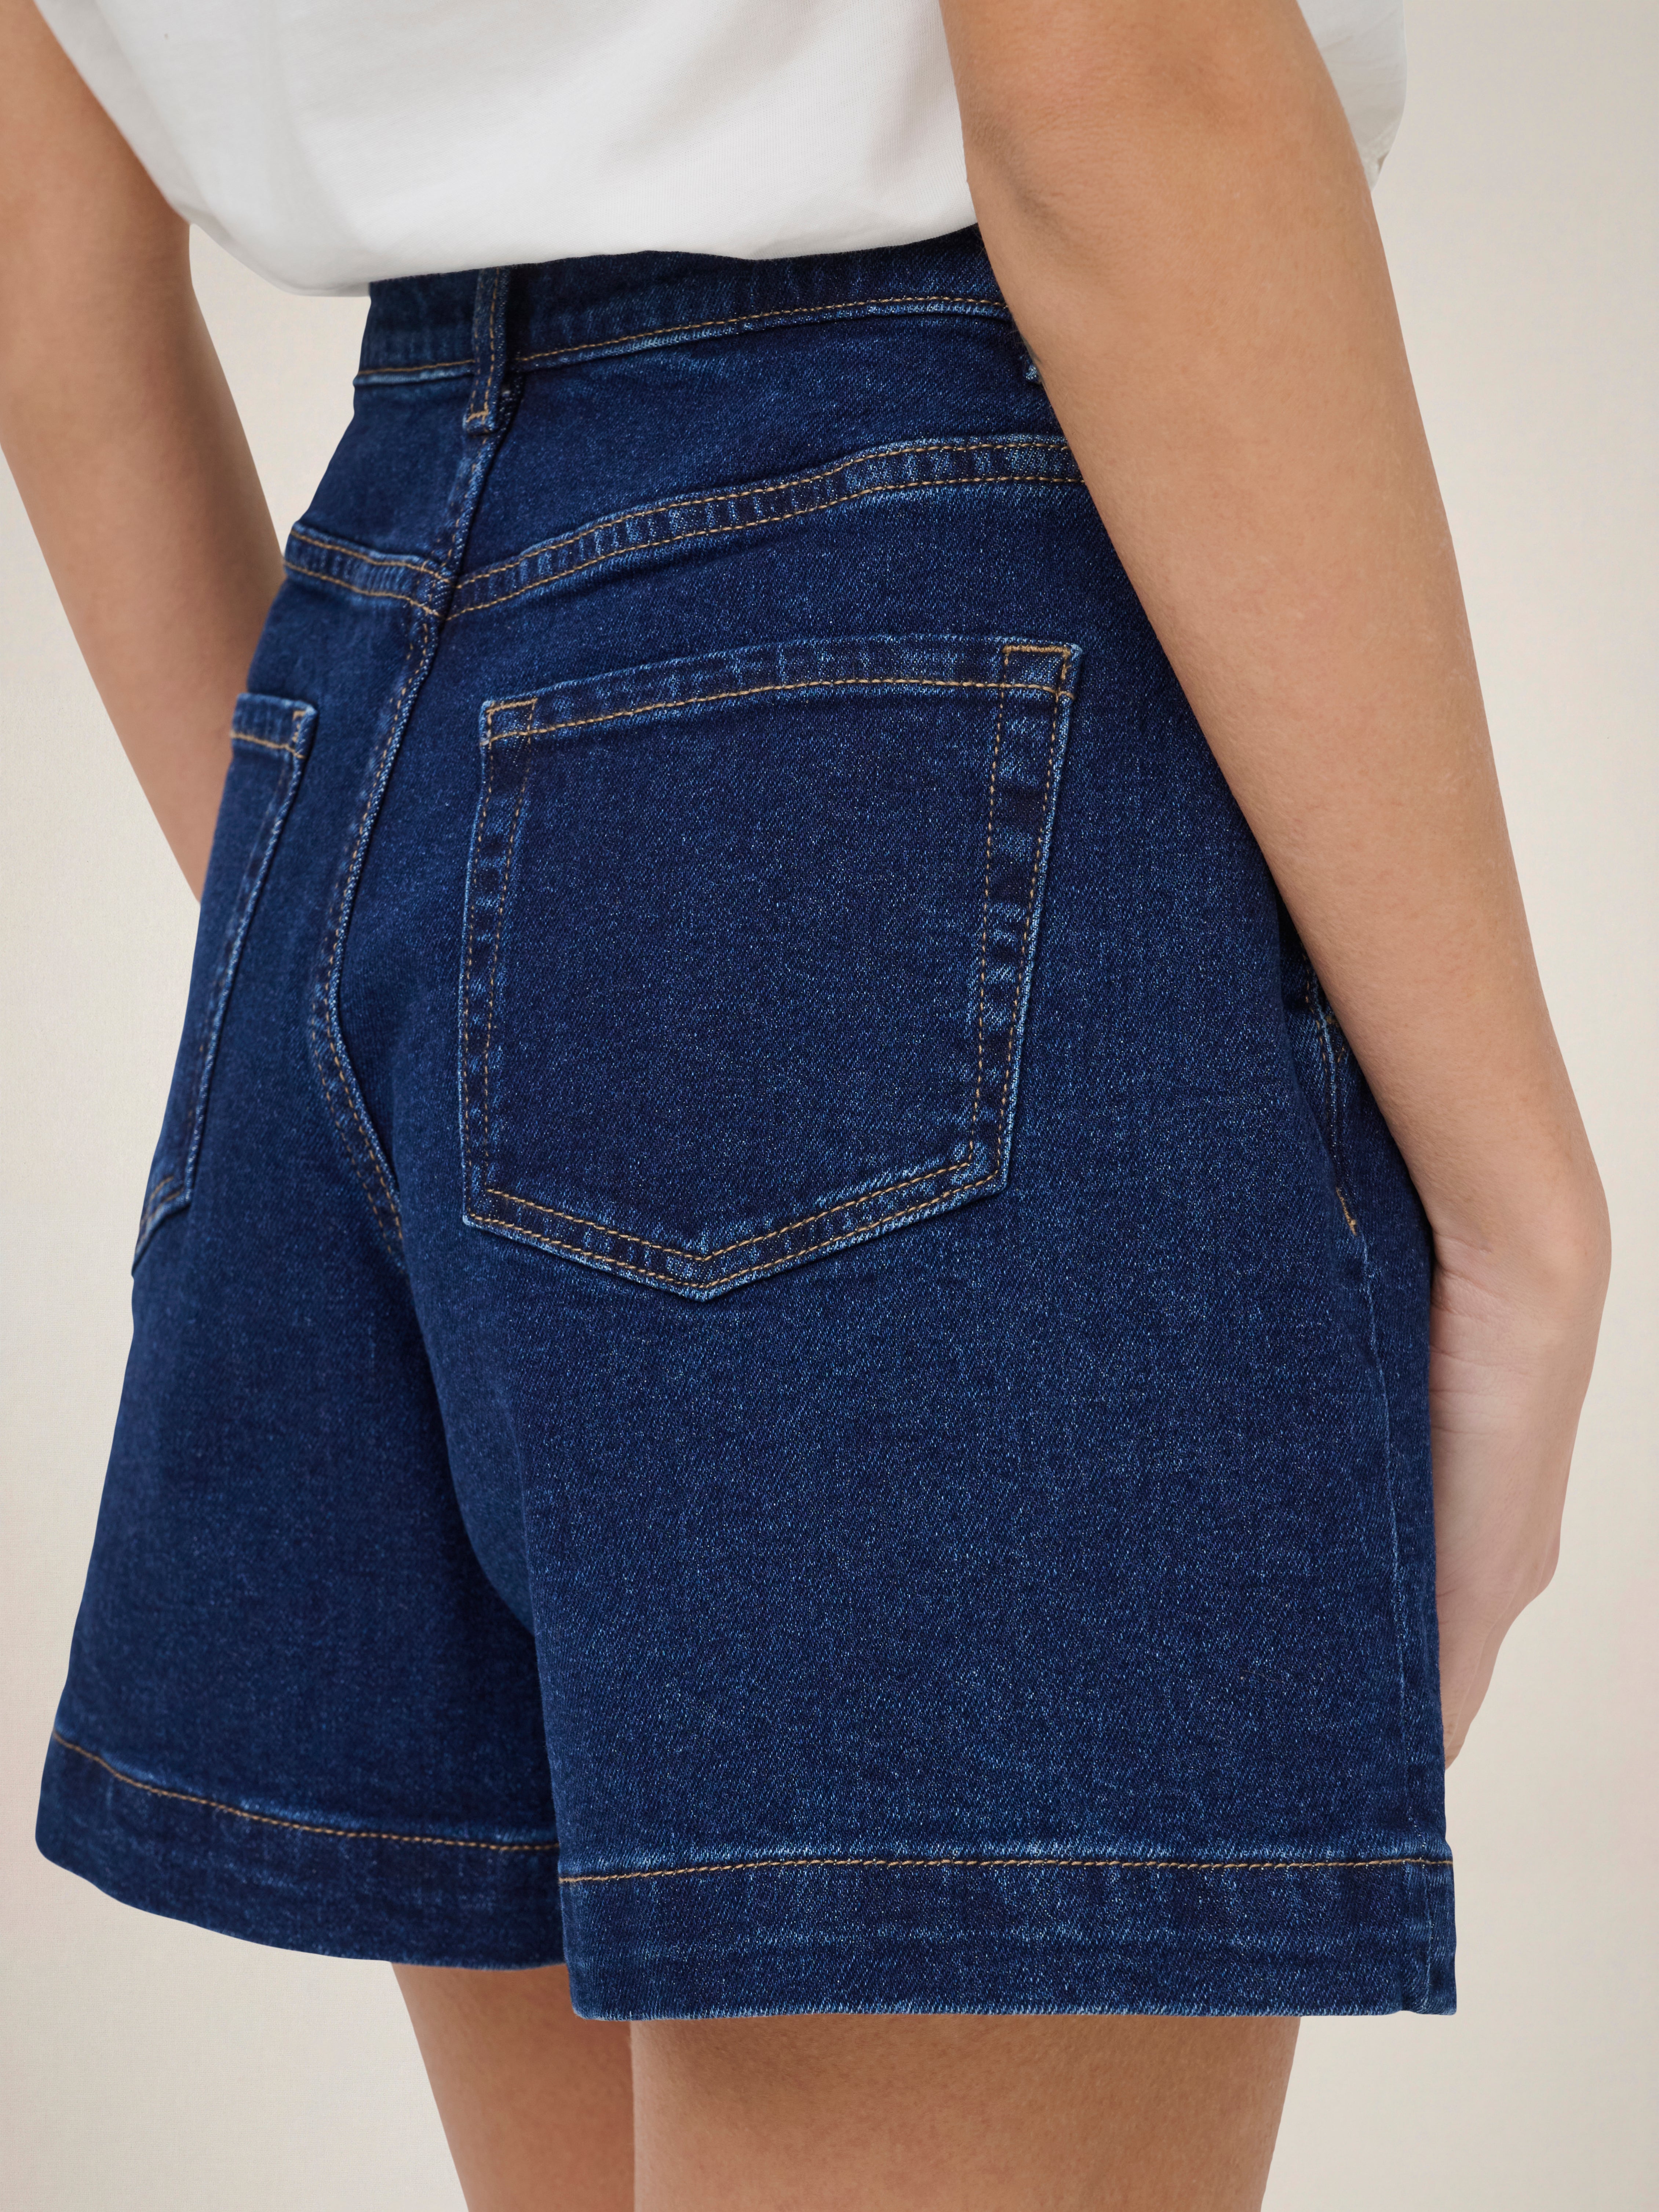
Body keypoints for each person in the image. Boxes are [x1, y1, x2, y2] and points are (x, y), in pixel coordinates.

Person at [0, 0, 1609, 2205]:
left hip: (373, 674)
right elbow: (1118, 78)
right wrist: (1527, 1215)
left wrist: (421, 994)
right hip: (912, 629)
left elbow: (44, 260)